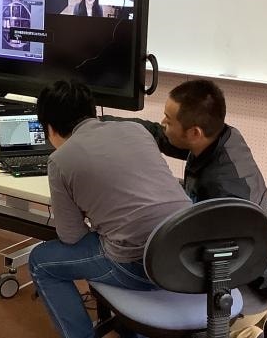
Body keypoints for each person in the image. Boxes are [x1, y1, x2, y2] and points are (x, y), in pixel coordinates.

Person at [102, 79, 267, 338]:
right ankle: (260, 324)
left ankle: (250, 331)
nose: (163, 123)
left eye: (169, 119)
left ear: (194, 132)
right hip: (233, 259)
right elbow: (160, 135)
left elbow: (248, 256)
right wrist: (99, 123)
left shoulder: (224, 188)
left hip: (241, 281)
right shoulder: (221, 137)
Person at [29, 80, 193, 338]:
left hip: (139, 266)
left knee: (41, 261)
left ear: (49, 128)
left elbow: (72, 236)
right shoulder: (136, 131)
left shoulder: (60, 160)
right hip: (186, 254)